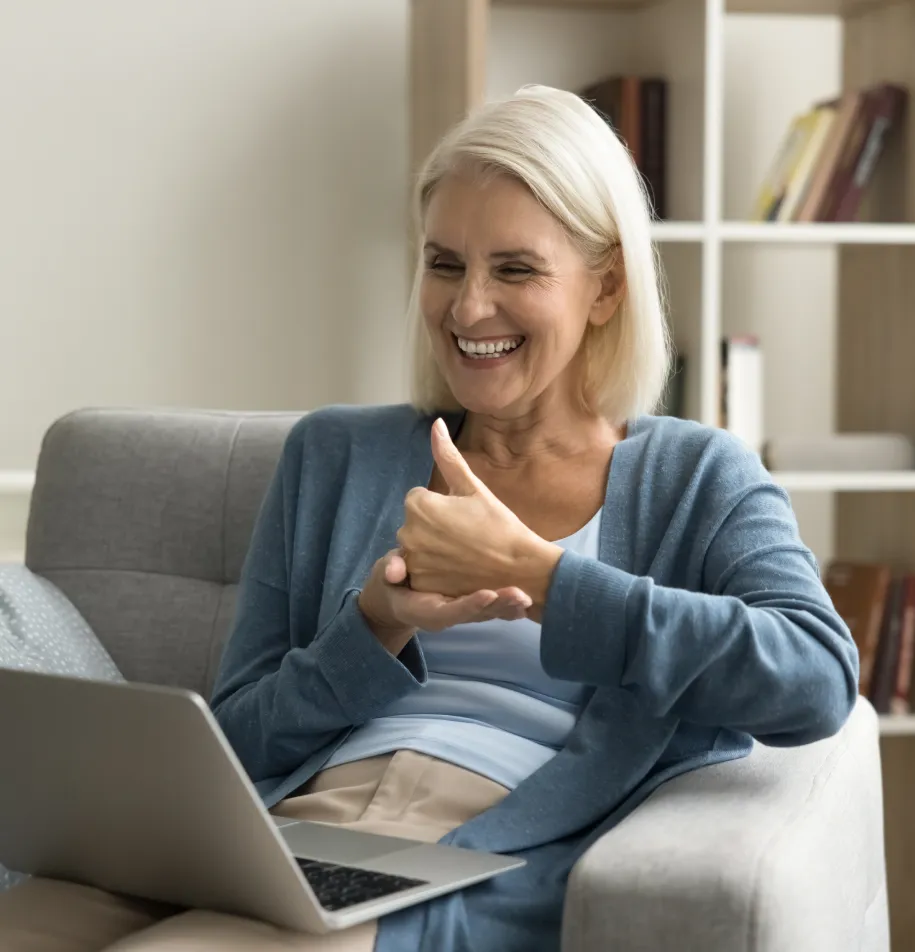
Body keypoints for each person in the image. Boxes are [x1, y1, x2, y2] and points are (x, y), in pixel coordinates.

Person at [0, 84, 858, 952]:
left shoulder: (696, 477)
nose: (467, 307)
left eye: (514, 269)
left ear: (604, 289)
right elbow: (240, 741)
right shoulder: (334, 455)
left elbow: (816, 677)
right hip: (278, 828)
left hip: (473, 841)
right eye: (444, 263)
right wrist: (371, 626)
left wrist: (543, 578)